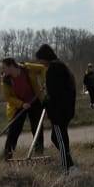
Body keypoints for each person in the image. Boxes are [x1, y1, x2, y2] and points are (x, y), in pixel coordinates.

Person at [35, 44, 77, 173]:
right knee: (56, 137)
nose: (39, 63)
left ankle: (68, 169)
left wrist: (45, 103)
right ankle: (70, 165)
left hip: (59, 112)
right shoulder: (61, 66)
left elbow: (54, 93)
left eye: (40, 59)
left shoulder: (53, 69)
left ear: (45, 57)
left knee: (61, 139)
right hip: (66, 109)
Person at [0, 57, 47, 159]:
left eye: (4, 68)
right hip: (19, 105)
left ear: (11, 66)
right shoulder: (5, 80)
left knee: (37, 127)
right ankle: (7, 155)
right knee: (14, 129)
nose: (2, 70)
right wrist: (22, 104)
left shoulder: (27, 68)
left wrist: (43, 82)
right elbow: (8, 97)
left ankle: (39, 152)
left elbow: (42, 68)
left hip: (34, 100)